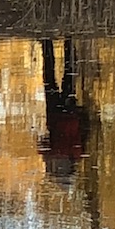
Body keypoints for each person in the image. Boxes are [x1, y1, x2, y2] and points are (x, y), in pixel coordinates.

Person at [38, 38, 89, 177]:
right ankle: (47, 44)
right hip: (55, 114)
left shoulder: (77, 154)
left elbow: (85, 132)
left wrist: (81, 113)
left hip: (70, 114)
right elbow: (42, 145)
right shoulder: (57, 155)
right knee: (49, 77)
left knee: (69, 75)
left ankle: (69, 42)